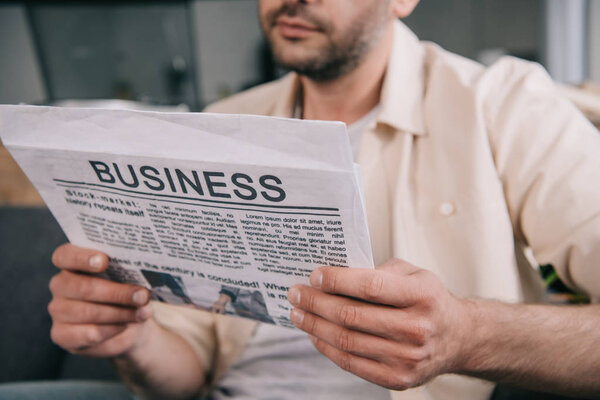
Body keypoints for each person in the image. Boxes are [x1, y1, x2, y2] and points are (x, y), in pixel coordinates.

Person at [44, 0, 600, 399]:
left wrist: (467, 336)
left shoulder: (504, 105)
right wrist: (130, 339)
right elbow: (186, 372)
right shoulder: (220, 129)